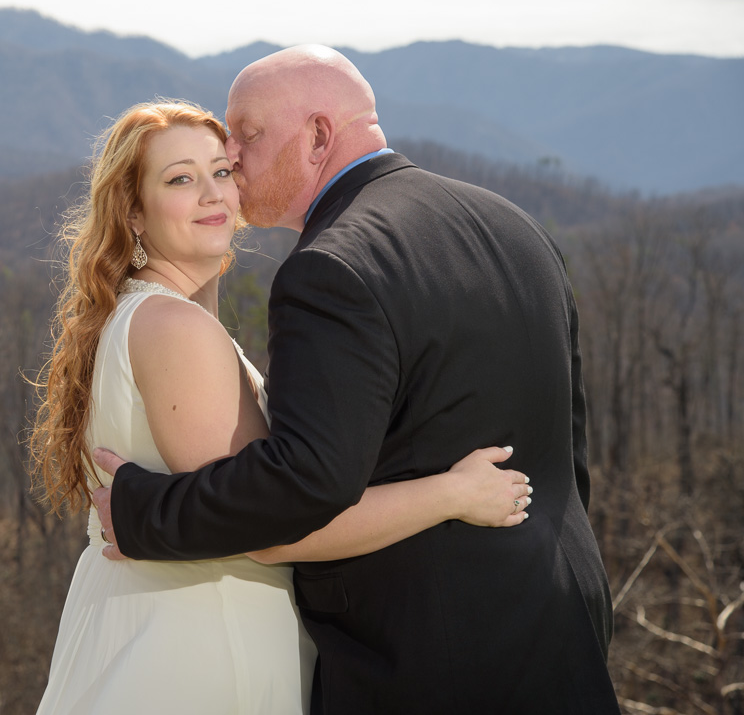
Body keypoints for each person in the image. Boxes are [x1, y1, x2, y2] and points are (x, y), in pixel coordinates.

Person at [93, 48, 620, 714]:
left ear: (317, 136)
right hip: (565, 630)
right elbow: (568, 453)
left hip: (422, 663)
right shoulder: (517, 229)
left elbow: (302, 485)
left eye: (248, 133)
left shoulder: (333, 266)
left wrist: (145, 511)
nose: (232, 153)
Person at [29, 99, 534, 715]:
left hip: (163, 621)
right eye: (180, 179)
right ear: (133, 212)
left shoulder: (146, 315)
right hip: (199, 644)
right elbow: (268, 524)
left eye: (221, 171)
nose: (213, 193)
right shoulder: (173, 328)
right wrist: (452, 495)